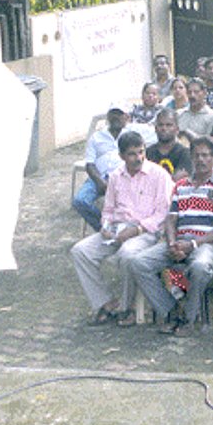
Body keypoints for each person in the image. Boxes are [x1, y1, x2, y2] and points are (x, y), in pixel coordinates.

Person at [126, 137, 213, 336]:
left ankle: (188, 319)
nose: (200, 160)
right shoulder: (181, 186)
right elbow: (170, 219)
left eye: (205, 156)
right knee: (137, 263)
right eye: (196, 155)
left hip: (206, 244)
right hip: (179, 242)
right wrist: (172, 243)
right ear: (191, 158)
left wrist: (192, 244)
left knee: (200, 267)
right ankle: (171, 310)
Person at [71, 132, 172, 326]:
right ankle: (106, 302)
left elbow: (162, 214)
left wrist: (136, 230)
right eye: (132, 154)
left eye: (141, 152)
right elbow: (108, 210)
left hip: (145, 232)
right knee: (80, 251)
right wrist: (105, 227)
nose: (138, 158)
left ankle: (128, 308)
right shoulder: (116, 176)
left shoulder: (159, 175)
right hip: (117, 230)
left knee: (127, 254)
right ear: (121, 156)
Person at [72, 106, 129, 230]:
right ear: (108, 116)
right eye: (113, 113)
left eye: (119, 114)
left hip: (122, 178)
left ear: (126, 117)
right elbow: (89, 164)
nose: (116, 117)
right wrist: (100, 182)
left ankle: (117, 230)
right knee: (79, 201)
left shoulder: (130, 136)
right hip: (98, 177)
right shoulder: (96, 137)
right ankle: (104, 228)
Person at [146, 108, 192, 178]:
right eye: (160, 125)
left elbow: (178, 178)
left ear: (177, 129)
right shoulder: (148, 153)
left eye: (169, 125)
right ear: (155, 129)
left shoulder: (185, 153)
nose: (164, 128)